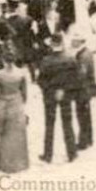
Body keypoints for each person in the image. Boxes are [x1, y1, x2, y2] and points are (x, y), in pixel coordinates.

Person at [37, 33, 78, 163]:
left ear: (52, 45)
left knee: (49, 124)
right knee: (68, 123)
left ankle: (48, 154)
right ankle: (71, 153)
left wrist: (51, 90)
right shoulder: (70, 59)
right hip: (66, 94)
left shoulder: (46, 60)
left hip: (50, 95)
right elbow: (75, 79)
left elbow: (41, 80)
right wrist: (64, 90)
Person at [0, 43, 30, 173]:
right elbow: (25, 93)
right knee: (16, 133)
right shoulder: (21, 73)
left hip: (4, 103)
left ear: (2, 59)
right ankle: (19, 163)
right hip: (17, 102)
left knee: (2, 132)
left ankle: (0, 164)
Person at [69, 32, 96, 151]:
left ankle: (83, 141)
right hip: (86, 89)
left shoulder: (83, 56)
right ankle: (88, 139)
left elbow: (82, 74)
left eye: (74, 40)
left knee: (82, 116)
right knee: (86, 115)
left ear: (79, 42)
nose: (71, 42)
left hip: (82, 90)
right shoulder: (86, 53)